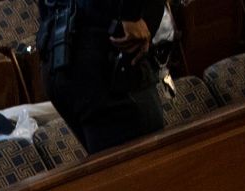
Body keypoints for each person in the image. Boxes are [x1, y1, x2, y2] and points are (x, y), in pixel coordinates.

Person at [36, 0, 166, 153]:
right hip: (107, 55)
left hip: (58, 45)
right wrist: (130, 14)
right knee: (146, 164)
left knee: (113, 166)